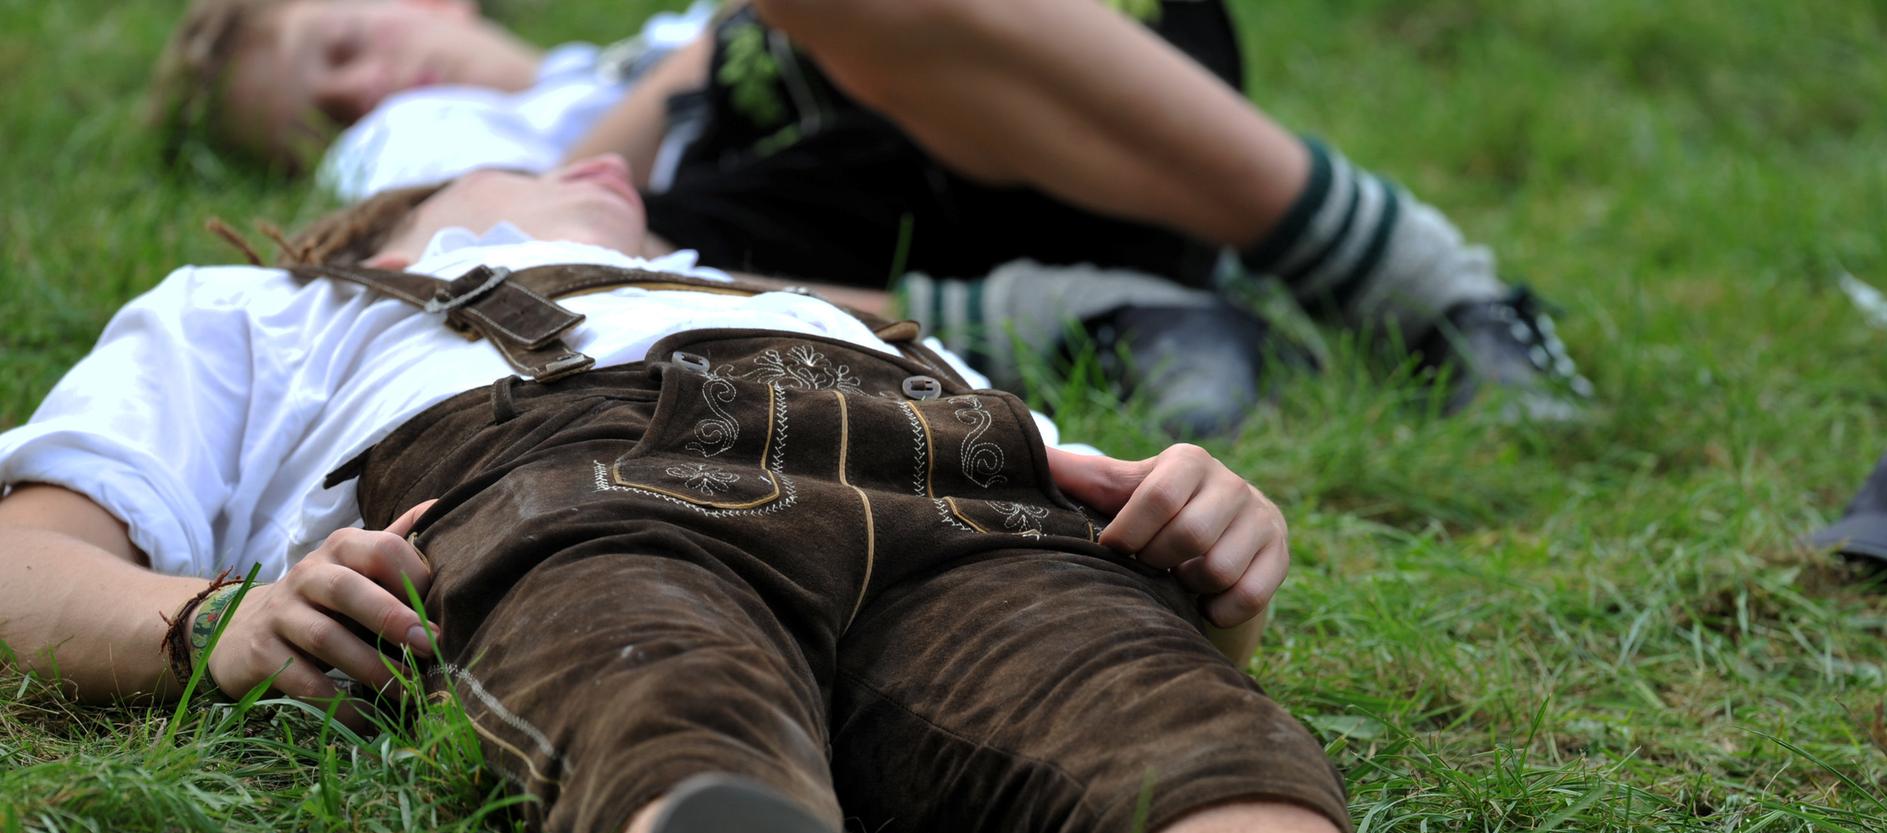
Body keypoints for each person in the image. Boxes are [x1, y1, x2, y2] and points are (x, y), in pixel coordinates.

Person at [0, 162, 1863, 833]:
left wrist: (1194, 541)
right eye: (550, 169)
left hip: (969, 508)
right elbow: (31, 554)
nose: (615, 184)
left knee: (1164, 728)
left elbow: (1076, 498)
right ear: (373, 230)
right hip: (575, 493)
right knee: (662, 707)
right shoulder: (267, 318)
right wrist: (208, 620)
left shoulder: (848, 315)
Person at [150, 0, 1589, 431]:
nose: (361, 93)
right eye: (325, 113)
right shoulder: (441, 144)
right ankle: (1099, 317)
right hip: (814, 249)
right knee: (568, 282)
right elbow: (484, 261)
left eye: (342, 44)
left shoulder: (643, 48)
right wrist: (661, 96)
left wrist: (687, 61)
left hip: (1074, 93)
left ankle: (1424, 281)